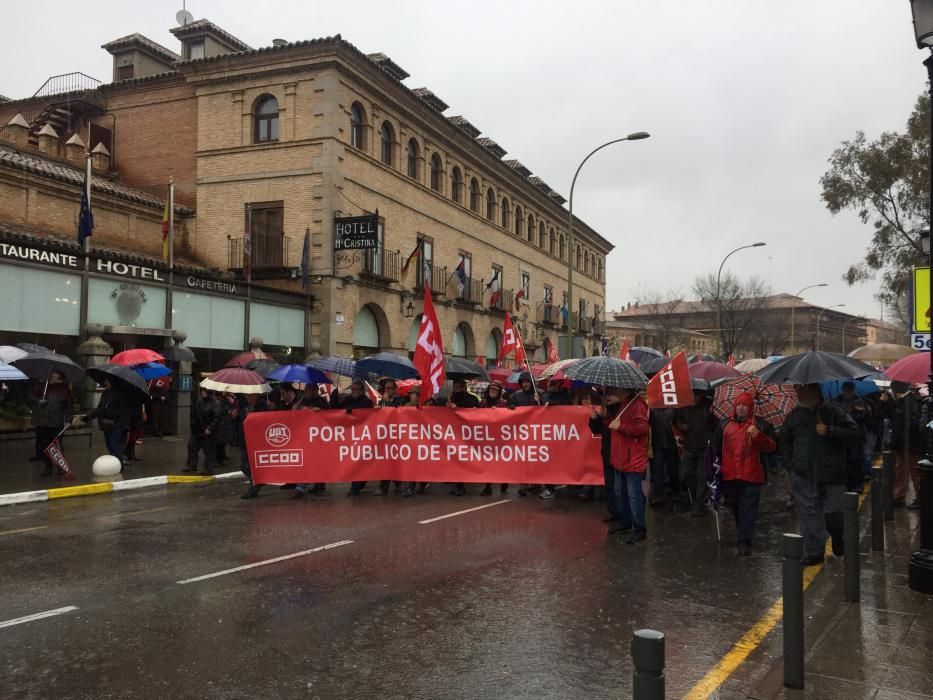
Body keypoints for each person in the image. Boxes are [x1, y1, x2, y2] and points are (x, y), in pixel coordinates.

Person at [781, 383, 860, 565]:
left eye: (801, 389)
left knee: (834, 513)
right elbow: (785, 441)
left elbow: (854, 433)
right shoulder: (794, 416)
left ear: (814, 391)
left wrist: (830, 430)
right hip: (804, 475)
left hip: (832, 474)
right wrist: (791, 466)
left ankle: (838, 537)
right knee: (809, 515)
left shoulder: (834, 411)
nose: (797, 393)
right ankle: (814, 551)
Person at [711, 392, 777, 556]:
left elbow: (771, 447)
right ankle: (743, 534)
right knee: (737, 508)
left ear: (750, 408)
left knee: (749, 509)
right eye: (738, 404)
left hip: (752, 476)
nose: (741, 408)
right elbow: (716, 448)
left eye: (744, 405)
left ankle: (744, 541)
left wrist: (757, 436)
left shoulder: (761, 425)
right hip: (730, 475)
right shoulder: (724, 425)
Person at [608, 387, 650, 544]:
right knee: (621, 493)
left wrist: (621, 427)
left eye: (618, 388)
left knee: (634, 496)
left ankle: (639, 529)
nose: (616, 390)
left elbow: (643, 428)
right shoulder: (623, 404)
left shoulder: (637, 404)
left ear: (625, 389)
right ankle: (625, 523)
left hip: (632, 458)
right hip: (621, 458)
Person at [674, 389, 716, 515]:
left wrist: (711, 415)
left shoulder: (709, 405)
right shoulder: (684, 405)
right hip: (689, 445)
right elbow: (677, 420)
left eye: (697, 395)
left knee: (702, 477)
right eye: (693, 394)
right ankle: (696, 498)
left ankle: (698, 503)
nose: (695, 397)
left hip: (704, 446)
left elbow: (715, 425)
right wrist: (682, 426)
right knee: (687, 473)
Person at [75, 378, 133, 468]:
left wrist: (108, 415)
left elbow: (123, 411)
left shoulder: (121, 394)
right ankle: (115, 466)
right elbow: (99, 409)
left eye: (107, 381)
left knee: (114, 447)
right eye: (105, 381)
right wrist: (84, 419)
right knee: (110, 446)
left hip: (117, 425)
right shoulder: (105, 393)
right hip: (106, 425)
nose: (105, 383)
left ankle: (118, 467)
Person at [590, 388, 624, 532]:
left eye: (611, 395)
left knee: (619, 488)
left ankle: (624, 516)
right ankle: (614, 512)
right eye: (607, 395)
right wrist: (594, 418)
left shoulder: (621, 409)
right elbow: (597, 430)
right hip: (607, 452)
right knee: (609, 485)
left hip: (619, 453)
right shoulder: (605, 411)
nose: (608, 398)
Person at [292, 384, 333, 499]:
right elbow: (294, 417)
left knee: (315, 460)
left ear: (315, 390)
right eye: (306, 390)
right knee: (307, 460)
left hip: (317, 436)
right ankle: (307, 485)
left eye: (309, 389)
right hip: (304, 435)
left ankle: (307, 486)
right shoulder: (301, 401)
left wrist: (320, 412)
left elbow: (329, 416)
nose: (307, 392)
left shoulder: (322, 402)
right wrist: (294, 409)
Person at [30, 371, 72, 477]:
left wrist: (68, 420)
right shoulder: (42, 387)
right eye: (51, 376)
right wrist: (39, 400)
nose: (52, 378)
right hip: (42, 422)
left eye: (54, 377)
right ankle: (48, 467)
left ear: (60, 379)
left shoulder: (64, 390)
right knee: (45, 445)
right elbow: (32, 397)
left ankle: (60, 467)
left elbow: (68, 407)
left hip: (56, 422)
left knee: (57, 446)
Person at [890, 382, 923, 509]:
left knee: (913, 471)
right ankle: (899, 496)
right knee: (901, 469)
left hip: (909, 442)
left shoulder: (910, 401)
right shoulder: (902, 401)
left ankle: (920, 497)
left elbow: (912, 422)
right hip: (903, 442)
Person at [375, 378, 409, 496]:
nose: (387, 390)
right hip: (385, 436)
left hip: (397, 436)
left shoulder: (401, 400)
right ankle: (383, 486)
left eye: (389, 388)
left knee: (397, 461)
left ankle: (401, 485)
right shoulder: (382, 401)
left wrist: (388, 402)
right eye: (386, 388)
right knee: (385, 461)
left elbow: (398, 412)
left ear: (395, 390)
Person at [539, 378, 572, 499]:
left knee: (565, 460)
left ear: (558, 384)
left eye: (551, 383)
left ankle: (572, 482)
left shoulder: (566, 396)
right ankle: (549, 488)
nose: (548, 385)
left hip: (564, 435)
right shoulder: (545, 395)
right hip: (549, 436)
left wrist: (556, 406)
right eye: (547, 382)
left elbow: (569, 408)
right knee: (549, 462)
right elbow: (544, 400)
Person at [509, 372, 541, 497]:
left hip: (536, 432)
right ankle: (524, 484)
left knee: (535, 459)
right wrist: (511, 406)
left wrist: (541, 401)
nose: (525, 384)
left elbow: (547, 408)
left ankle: (536, 483)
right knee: (524, 459)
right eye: (523, 382)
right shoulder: (516, 395)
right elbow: (509, 408)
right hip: (522, 432)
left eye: (527, 382)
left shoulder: (539, 393)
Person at [447, 378, 480, 496]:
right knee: (454, 460)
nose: (455, 389)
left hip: (467, 434)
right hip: (453, 433)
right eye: (454, 386)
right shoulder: (450, 397)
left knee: (462, 460)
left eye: (457, 387)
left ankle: (462, 485)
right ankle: (457, 485)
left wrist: (458, 407)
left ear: (463, 387)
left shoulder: (472, 398)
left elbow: (474, 412)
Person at [344, 381, 376, 496]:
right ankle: (358, 483)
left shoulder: (367, 402)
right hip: (349, 435)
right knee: (354, 460)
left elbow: (368, 415)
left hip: (363, 435)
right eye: (352, 389)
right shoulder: (347, 400)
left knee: (360, 460)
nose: (353, 391)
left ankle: (355, 486)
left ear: (362, 391)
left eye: (356, 389)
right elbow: (337, 410)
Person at [184, 388, 225, 475]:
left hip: (208, 431)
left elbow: (216, 417)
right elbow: (196, 414)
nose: (202, 393)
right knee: (191, 446)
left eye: (204, 391)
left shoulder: (215, 402)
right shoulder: (200, 401)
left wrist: (210, 428)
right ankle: (192, 465)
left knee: (209, 450)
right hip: (198, 429)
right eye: (202, 391)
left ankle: (208, 469)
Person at [480, 381, 510, 496]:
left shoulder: (503, 403)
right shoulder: (482, 403)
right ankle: (488, 486)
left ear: (499, 392)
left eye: (495, 390)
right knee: (487, 463)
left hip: (500, 438)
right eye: (491, 389)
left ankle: (504, 481)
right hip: (486, 438)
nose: (492, 391)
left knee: (502, 462)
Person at [240, 392, 270, 499]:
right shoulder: (245, 406)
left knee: (253, 465)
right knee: (244, 465)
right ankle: (258, 481)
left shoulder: (263, 406)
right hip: (245, 438)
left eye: (249, 395)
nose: (247, 396)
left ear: (256, 395)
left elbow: (265, 420)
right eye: (247, 395)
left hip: (257, 440)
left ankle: (255, 485)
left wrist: (252, 416)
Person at [648, 406, 680, 506]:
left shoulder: (673, 408)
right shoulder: (653, 409)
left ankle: (675, 490)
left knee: (672, 470)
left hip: (669, 444)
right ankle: (659, 494)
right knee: (658, 470)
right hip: (659, 444)